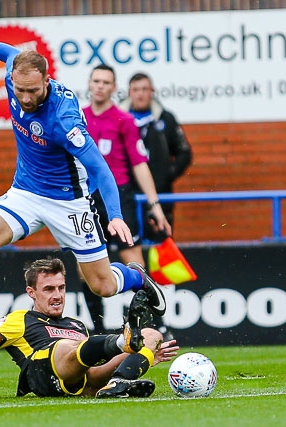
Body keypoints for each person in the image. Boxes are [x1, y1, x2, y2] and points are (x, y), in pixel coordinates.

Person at [0, 31, 167, 356]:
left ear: (47, 80)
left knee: (103, 285)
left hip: (68, 202)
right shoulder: (17, 76)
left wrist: (116, 216)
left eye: (33, 91)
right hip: (25, 191)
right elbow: (9, 51)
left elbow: (100, 169)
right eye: (20, 90)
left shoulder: (64, 120)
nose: (25, 97)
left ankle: (136, 278)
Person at [0, 258, 180, 398]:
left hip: (73, 375)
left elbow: (88, 379)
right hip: (41, 370)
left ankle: (119, 382)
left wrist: (137, 358)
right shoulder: (19, 319)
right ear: (31, 293)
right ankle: (122, 341)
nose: (57, 295)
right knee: (67, 346)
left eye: (61, 288)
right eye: (49, 289)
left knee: (152, 335)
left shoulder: (76, 325)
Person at [80, 64, 171, 334]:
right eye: (96, 81)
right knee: (84, 265)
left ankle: (155, 325)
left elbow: (140, 165)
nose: (100, 86)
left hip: (119, 197)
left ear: (113, 87)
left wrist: (155, 206)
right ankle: (97, 330)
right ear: (89, 84)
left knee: (134, 260)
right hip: (84, 198)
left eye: (106, 82)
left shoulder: (124, 120)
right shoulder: (77, 117)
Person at [118, 72, 192, 241]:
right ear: (129, 92)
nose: (140, 93)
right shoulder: (118, 119)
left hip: (160, 195)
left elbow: (184, 153)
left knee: (161, 243)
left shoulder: (166, 119)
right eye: (136, 89)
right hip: (126, 194)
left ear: (152, 91)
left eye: (144, 89)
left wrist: (165, 175)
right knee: (129, 244)